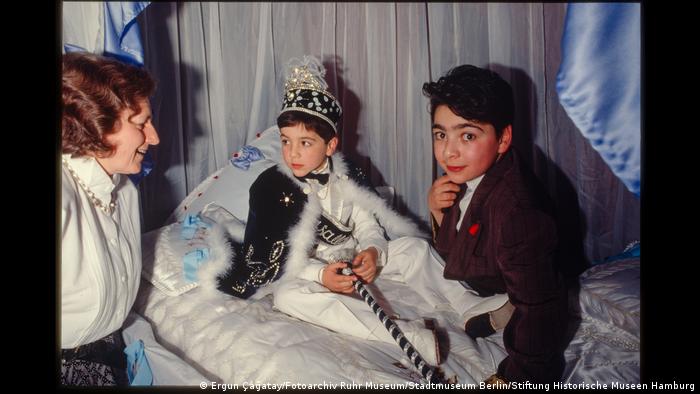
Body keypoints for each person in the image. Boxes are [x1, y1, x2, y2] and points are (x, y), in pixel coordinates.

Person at [208, 56, 506, 367]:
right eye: (286, 141)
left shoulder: (349, 176)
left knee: (413, 248)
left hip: (352, 257)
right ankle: (407, 336)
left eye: (305, 142)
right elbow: (278, 256)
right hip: (309, 270)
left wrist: (374, 251)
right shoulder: (271, 187)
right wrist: (321, 274)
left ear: (330, 144)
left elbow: (367, 222)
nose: (293, 153)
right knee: (287, 297)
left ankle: (472, 307)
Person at [424, 64, 568, 383]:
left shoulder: (519, 213)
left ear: (503, 139)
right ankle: (480, 309)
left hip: (510, 290)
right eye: (440, 134)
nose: (449, 150)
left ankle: (493, 308)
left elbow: (542, 308)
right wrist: (437, 213)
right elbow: (454, 250)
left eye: (468, 135)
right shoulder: (472, 168)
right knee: (408, 248)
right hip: (483, 280)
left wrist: (516, 378)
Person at [61, 52, 159, 386]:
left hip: (108, 350)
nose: (155, 138)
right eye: (141, 123)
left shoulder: (126, 190)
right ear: (96, 122)